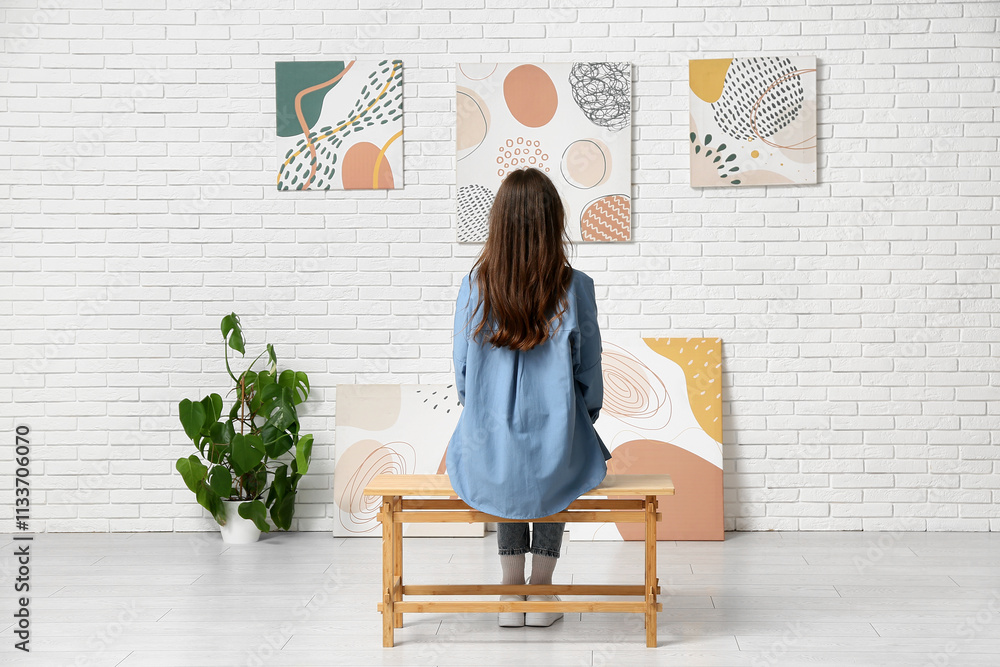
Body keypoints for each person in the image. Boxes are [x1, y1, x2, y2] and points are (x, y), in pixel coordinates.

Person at [446, 167, 611, 629]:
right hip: (558, 436)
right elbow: (589, 369)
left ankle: (510, 591)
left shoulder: (475, 285)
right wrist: (584, 415)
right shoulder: (575, 286)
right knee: (560, 451)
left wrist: (481, 409)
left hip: (488, 439)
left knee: (506, 457)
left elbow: (462, 369)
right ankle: (541, 589)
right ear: (552, 221)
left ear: (498, 222)